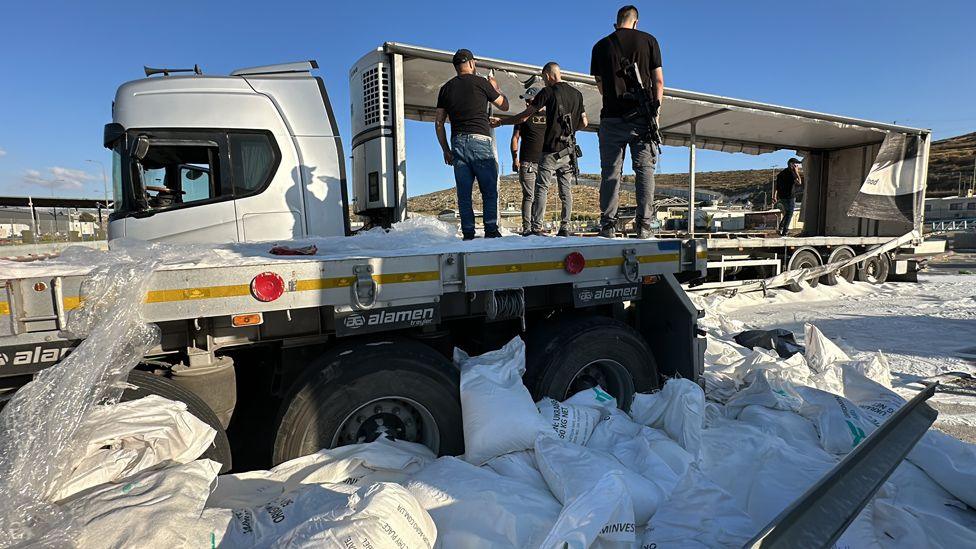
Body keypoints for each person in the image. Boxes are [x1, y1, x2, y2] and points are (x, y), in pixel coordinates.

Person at [590, 5, 664, 238]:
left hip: (611, 118)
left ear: (616, 22)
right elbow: (659, 82)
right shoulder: (649, 41)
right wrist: (656, 113)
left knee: (611, 173)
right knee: (644, 171)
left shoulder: (600, 46)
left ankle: (608, 225)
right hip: (642, 119)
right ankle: (643, 226)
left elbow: (601, 85)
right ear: (636, 22)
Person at [492, 62, 587, 236]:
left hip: (550, 150)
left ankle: (536, 227)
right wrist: (571, 132)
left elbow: (525, 115)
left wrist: (502, 122)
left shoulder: (548, 91)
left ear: (549, 75)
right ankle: (565, 227)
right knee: (565, 190)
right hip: (568, 150)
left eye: (544, 78)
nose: (544, 82)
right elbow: (584, 122)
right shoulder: (577, 94)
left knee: (541, 189)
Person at [435, 48, 510, 240]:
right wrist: (496, 88)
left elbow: (439, 123)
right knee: (489, 190)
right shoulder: (482, 83)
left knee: (464, 193)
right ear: (471, 63)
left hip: (458, 142)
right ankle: (491, 230)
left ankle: (468, 234)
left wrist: (445, 149)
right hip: (480, 141)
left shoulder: (446, 88)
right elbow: (505, 105)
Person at [510, 84, 547, 234]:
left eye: (529, 100)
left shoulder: (549, 118)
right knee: (529, 195)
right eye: (525, 101)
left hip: (544, 164)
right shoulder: (522, 117)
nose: (526, 103)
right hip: (527, 163)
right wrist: (515, 159)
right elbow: (515, 138)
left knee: (540, 195)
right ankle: (527, 229)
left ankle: (537, 227)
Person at [774, 157, 803, 236]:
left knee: (788, 212)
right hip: (790, 196)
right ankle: (784, 231)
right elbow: (799, 182)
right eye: (795, 164)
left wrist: (775, 195)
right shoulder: (792, 173)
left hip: (782, 196)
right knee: (790, 213)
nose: (797, 166)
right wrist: (797, 172)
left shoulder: (781, 174)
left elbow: (777, 186)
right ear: (791, 164)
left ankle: (781, 227)